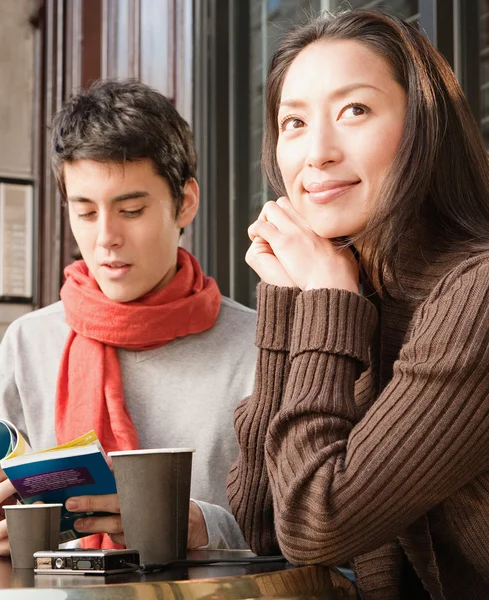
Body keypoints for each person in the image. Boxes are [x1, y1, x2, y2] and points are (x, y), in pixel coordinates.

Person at [227, 8, 489, 600]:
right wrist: (286, 304)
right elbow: (263, 526)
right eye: (293, 122)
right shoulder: (356, 289)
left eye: (355, 111)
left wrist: (323, 301)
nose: (316, 153)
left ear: (425, 127)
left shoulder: (477, 295)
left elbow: (320, 523)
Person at [0, 79, 256, 555]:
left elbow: (304, 536)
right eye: (86, 213)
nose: (106, 238)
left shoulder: (257, 347)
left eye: (131, 210)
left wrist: (197, 525)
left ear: (185, 203)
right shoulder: (26, 343)